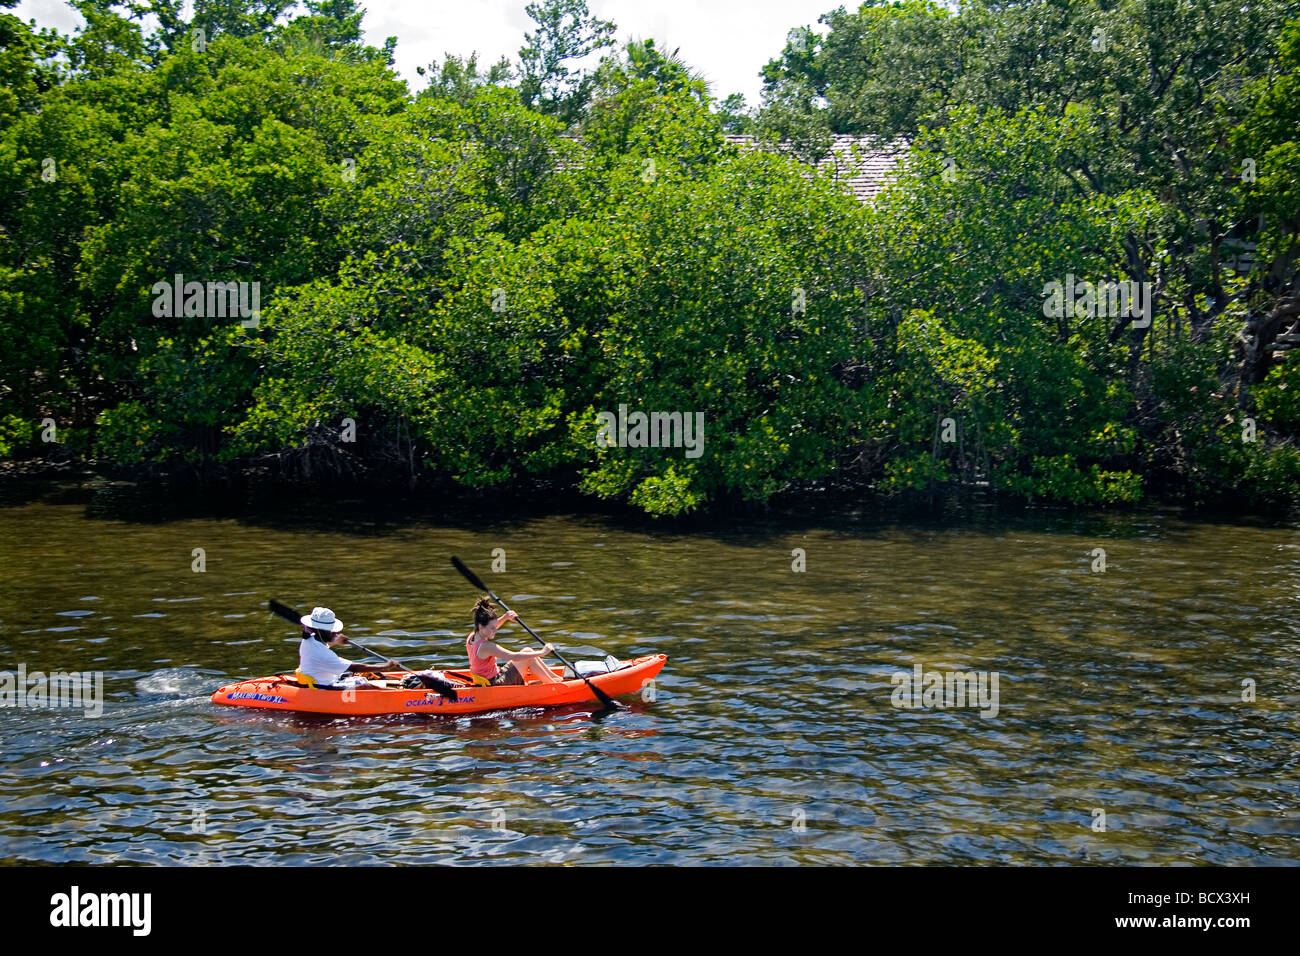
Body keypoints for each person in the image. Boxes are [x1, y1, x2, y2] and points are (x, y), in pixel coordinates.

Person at [466, 596, 559, 686]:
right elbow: (514, 656)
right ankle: (555, 686)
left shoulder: (473, 636)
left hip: (492, 677)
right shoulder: (486, 646)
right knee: (528, 658)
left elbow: (491, 626)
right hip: (495, 682)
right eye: (492, 628)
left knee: (528, 650)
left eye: (495, 627)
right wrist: (542, 652)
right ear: (481, 627)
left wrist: (505, 617)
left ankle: (557, 679)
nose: (496, 630)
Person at [297, 606, 398, 688]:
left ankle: (400, 682)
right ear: (319, 630)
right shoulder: (323, 654)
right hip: (323, 686)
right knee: (365, 685)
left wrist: (335, 642)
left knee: (369, 674)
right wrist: (385, 666)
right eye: (331, 631)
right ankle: (398, 695)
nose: (335, 633)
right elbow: (355, 667)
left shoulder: (308, 639)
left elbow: (321, 646)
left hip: (320, 679)